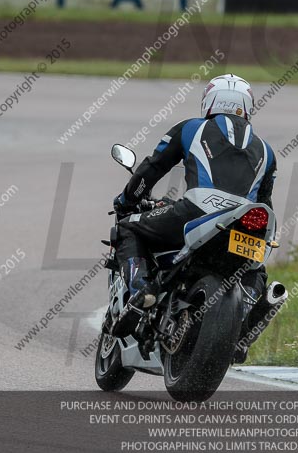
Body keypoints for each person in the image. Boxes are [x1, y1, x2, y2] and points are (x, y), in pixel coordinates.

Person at [108, 74, 278, 359]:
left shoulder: (191, 128)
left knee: (130, 228)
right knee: (255, 270)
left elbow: (152, 168)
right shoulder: (267, 151)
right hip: (251, 221)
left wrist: (127, 200)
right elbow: (265, 201)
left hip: (199, 210)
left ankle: (141, 294)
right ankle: (248, 323)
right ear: (247, 107)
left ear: (209, 102)